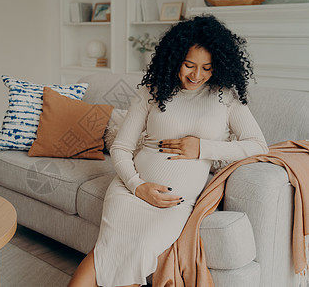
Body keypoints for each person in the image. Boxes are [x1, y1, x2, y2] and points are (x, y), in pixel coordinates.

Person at [68, 15, 269, 287]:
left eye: (207, 68)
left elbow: (258, 145)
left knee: (140, 249)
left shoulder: (226, 97)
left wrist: (203, 148)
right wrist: (137, 186)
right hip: (130, 191)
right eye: (189, 65)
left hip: (174, 204)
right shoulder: (152, 91)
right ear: (175, 58)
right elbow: (121, 147)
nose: (197, 75)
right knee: (106, 250)